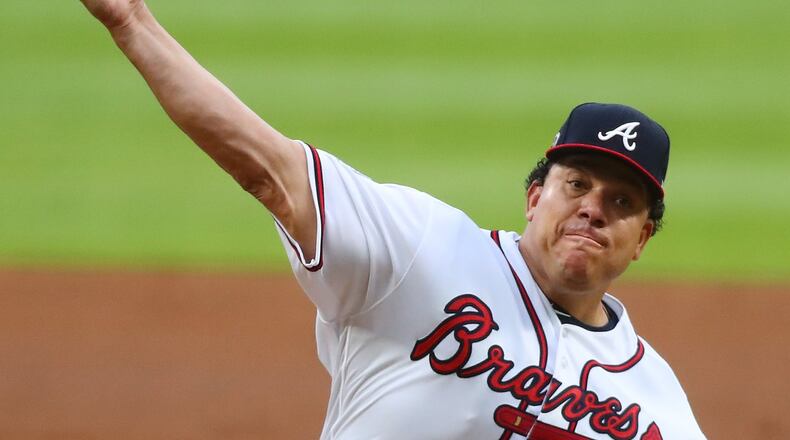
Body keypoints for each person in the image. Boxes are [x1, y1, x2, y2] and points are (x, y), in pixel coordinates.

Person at [79, 1, 706, 438]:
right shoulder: (421, 248)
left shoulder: (656, 401)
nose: (593, 206)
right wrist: (131, 20)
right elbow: (269, 168)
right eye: (576, 184)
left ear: (642, 238)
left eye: (622, 202)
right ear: (534, 196)